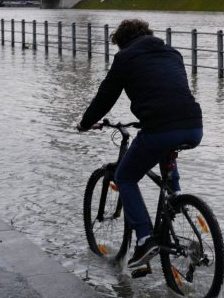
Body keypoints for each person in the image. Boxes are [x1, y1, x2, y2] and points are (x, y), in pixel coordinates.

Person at [77, 18, 203, 270]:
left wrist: (85, 122)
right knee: (163, 147)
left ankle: (145, 239)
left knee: (124, 177)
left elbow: (106, 96)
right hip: (194, 125)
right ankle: (176, 198)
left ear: (122, 43)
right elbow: (167, 90)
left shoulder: (125, 58)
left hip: (160, 128)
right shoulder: (173, 53)